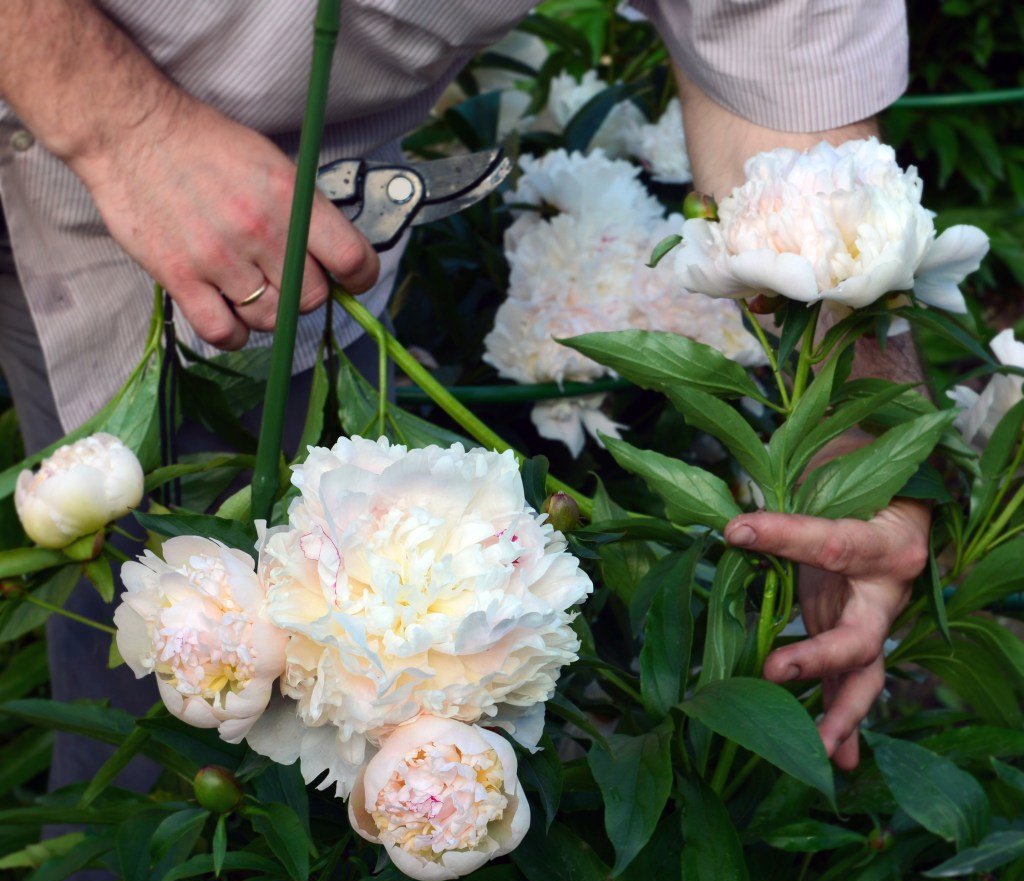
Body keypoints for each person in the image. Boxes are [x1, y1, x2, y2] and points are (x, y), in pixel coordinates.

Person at [0, 0, 921, 803]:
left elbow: (787, 81)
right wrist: (127, 125)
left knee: (186, 686)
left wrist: (859, 445)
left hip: (285, 219)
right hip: (93, 96)